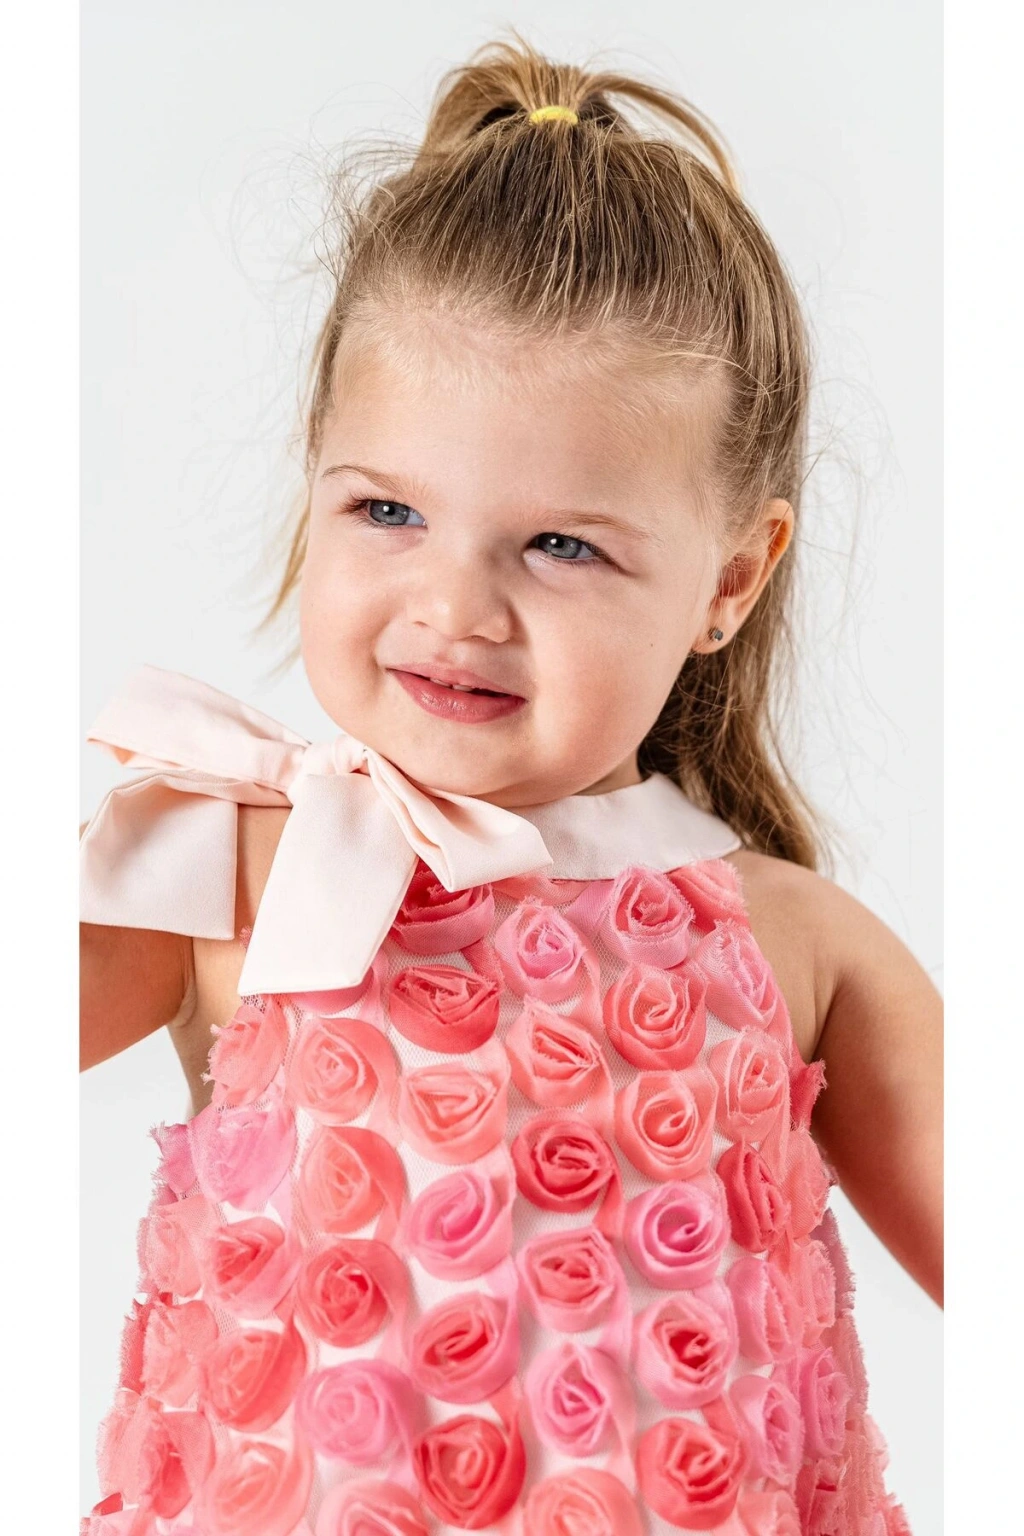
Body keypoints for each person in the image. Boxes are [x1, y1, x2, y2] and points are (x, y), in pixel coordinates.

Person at [79, 35, 939, 1536]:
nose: (454, 607)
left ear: (730, 579)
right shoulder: (231, 864)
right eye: (388, 511)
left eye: (561, 545)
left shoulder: (801, 944)